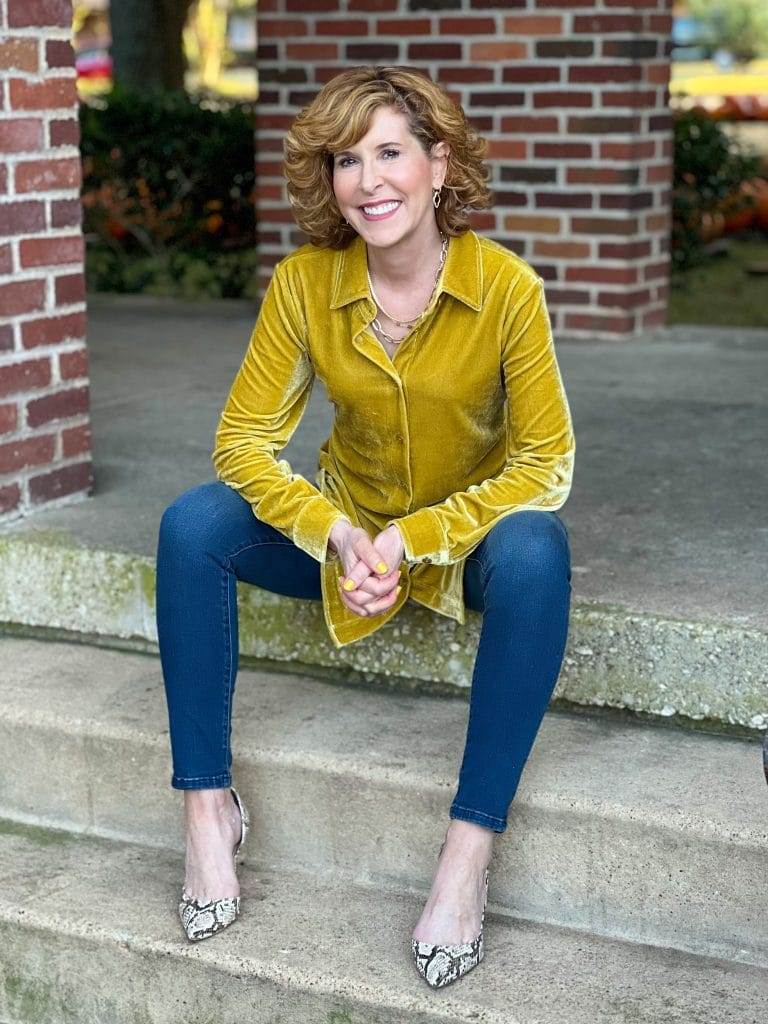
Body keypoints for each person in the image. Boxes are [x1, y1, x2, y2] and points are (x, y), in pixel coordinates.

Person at [155, 65, 575, 989]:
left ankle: (467, 857)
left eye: (390, 153)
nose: (369, 180)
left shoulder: (507, 289)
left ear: (440, 164)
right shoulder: (306, 285)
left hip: (462, 548)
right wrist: (338, 531)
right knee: (191, 527)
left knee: (540, 552)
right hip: (346, 544)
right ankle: (205, 811)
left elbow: (544, 464)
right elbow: (244, 440)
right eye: (348, 159)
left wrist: (415, 538)